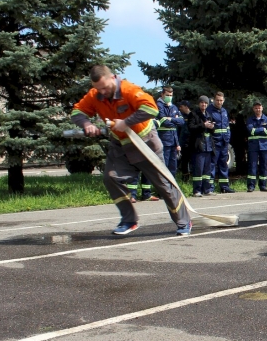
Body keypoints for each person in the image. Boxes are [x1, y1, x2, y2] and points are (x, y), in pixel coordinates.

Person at [71, 65, 192, 236]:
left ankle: (184, 222)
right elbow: (77, 111)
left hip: (145, 143)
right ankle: (129, 220)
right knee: (111, 178)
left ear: (113, 78)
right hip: (120, 144)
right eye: (98, 89)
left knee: (163, 185)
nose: (102, 92)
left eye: (105, 87)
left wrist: (126, 122)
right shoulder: (95, 94)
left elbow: (151, 109)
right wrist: (87, 124)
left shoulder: (129, 90)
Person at [206, 92, 235, 193]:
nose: (219, 102)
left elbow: (226, 126)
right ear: (214, 100)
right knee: (212, 164)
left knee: (224, 164)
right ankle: (210, 188)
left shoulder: (224, 111)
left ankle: (224, 187)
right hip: (214, 142)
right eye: (217, 100)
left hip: (224, 142)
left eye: (221, 100)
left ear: (224, 100)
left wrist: (228, 137)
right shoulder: (209, 110)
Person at [189, 96, 215, 197]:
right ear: (199, 103)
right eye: (202, 103)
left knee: (207, 171)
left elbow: (212, 131)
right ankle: (197, 190)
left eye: (205, 103)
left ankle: (207, 189)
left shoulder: (209, 114)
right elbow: (191, 127)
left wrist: (212, 127)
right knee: (198, 170)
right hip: (198, 146)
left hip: (208, 146)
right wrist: (203, 125)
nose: (203, 105)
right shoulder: (193, 114)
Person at [155, 86, 184, 176]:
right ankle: (163, 189)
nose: (169, 97)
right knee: (164, 166)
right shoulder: (158, 105)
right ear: (162, 94)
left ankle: (172, 188)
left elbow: (182, 121)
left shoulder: (173, 107)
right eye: (167, 95)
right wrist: (174, 120)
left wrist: (170, 119)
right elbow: (164, 122)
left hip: (173, 141)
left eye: (171, 95)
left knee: (173, 167)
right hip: (164, 140)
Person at [246, 101, 267, 192]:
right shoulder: (250, 120)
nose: (258, 109)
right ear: (253, 109)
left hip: (265, 146)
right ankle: (251, 186)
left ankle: (263, 185)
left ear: (262, 108)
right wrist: (262, 129)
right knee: (252, 166)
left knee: (263, 166)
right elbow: (251, 131)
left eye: (259, 107)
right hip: (253, 146)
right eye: (256, 108)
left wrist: (257, 130)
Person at [177, 100, 193, 182]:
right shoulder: (180, 116)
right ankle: (183, 180)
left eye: (181, 106)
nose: (179, 108)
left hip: (191, 143)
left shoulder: (193, 116)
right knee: (181, 161)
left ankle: (188, 179)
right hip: (181, 143)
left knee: (188, 161)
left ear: (186, 107)